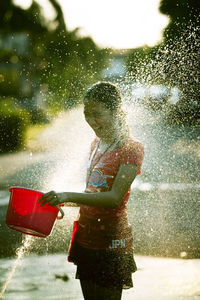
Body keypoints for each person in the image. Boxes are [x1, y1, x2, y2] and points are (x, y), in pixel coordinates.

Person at [39, 81, 144, 300]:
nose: (91, 121)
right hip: (86, 236)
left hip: (111, 240)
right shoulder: (95, 143)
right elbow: (94, 192)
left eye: (97, 114)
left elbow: (114, 198)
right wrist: (61, 200)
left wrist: (67, 195)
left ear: (116, 111)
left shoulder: (131, 148)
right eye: (87, 114)